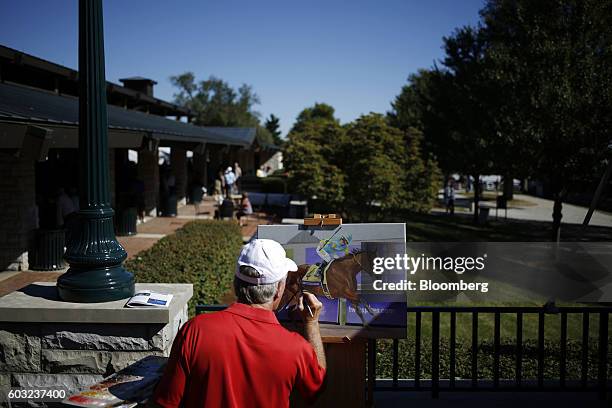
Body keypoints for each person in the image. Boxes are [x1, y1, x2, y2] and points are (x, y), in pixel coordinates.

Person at [151, 239, 326, 408]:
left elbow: (168, 400)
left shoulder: (195, 330)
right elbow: (315, 391)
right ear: (279, 289)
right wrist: (311, 323)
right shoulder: (296, 348)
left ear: (236, 283)